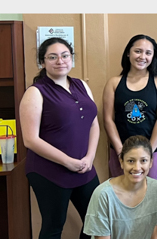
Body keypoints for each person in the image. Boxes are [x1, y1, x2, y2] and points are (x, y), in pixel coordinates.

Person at [20, 37, 100, 239]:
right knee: (53, 226)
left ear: (71, 58)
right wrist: (67, 162)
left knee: (96, 221)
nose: (60, 61)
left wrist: (90, 157)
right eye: (52, 57)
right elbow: (30, 140)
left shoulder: (81, 85)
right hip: (49, 171)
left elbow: (93, 124)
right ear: (42, 62)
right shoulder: (35, 92)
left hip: (84, 167)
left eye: (65, 56)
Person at [103, 34, 157, 180]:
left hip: (153, 149)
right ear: (128, 53)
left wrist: (149, 152)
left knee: (149, 194)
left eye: (148, 53)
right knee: (121, 195)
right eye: (138, 51)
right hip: (121, 150)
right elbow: (108, 119)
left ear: (153, 56)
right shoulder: (114, 82)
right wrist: (121, 151)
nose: (142, 56)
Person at [83, 135, 157, 239]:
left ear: (151, 162)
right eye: (131, 161)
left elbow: (155, 236)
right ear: (121, 162)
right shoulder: (103, 194)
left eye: (143, 161)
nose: (137, 168)